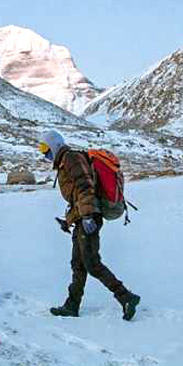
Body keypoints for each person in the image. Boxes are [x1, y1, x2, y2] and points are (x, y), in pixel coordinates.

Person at [40, 130, 140, 321]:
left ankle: (126, 297)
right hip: (83, 218)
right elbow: (77, 196)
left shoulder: (71, 158)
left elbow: (85, 186)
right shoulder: (65, 161)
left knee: (92, 263)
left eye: (45, 148)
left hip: (90, 218)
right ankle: (72, 305)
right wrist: (69, 220)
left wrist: (87, 217)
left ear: (55, 145)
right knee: (78, 264)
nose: (44, 154)